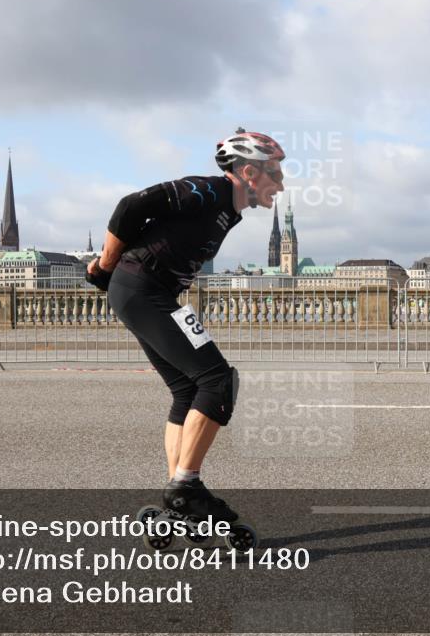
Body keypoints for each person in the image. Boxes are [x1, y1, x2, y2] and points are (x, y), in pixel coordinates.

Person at [87, 128, 285, 524]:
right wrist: (106, 264)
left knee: (188, 389)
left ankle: (176, 496)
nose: (280, 184)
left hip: (152, 294)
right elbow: (130, 206)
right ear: (249, 172)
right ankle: (186, 487)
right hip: (141, 289)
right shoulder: (208, 191)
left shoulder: (230, 209)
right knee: (218, 380)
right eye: (275, 173)